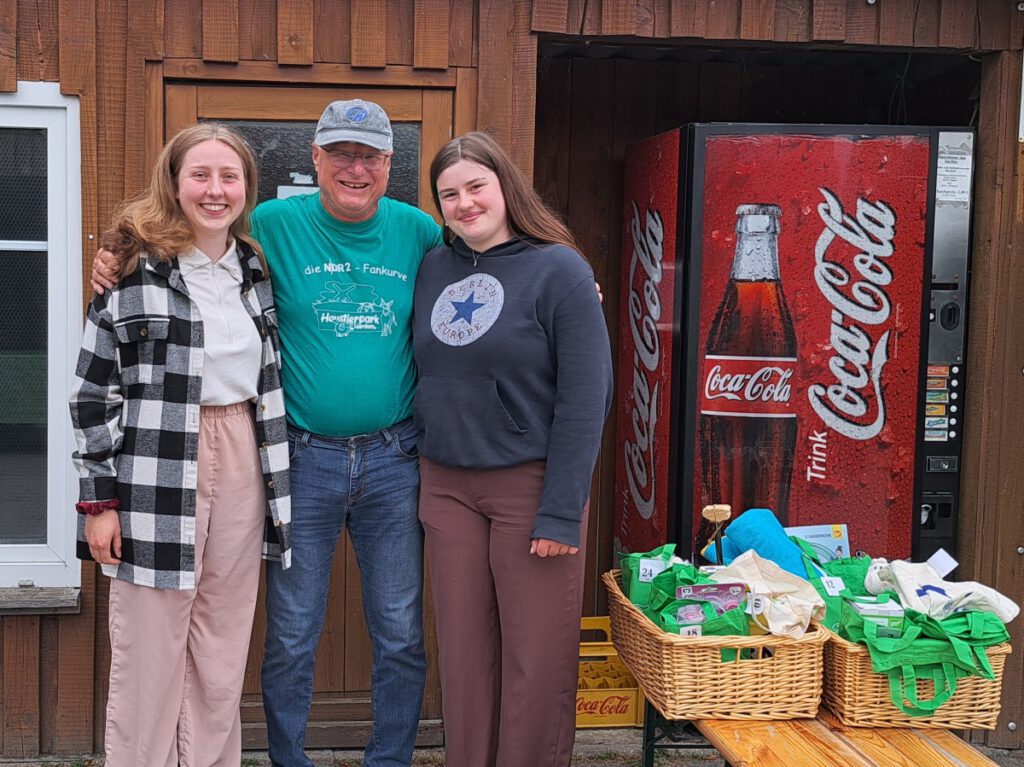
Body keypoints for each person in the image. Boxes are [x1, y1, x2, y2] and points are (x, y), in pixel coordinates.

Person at [92, 100, 442, 767]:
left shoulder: (419, 231)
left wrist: (568, 280)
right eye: (341, 153)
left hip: (395, 456)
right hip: (298, 458)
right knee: (291, 631)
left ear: (391, 164)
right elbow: (189, 219)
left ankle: (390, 758)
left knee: (398, 629)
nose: (356, 168)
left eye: (370, 155)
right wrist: (117, 251)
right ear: (315, 159)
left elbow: (493, 263)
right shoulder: (272, 223)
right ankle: (288, 758)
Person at [70, 123, 292, 767]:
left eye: (230, 177)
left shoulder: (254, 267)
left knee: (222, 641)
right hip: (158, 461)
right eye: (201, 175)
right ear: (175, 183)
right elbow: (91, 396)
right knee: (152, 637)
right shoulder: (134, 268)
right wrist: (99, 503)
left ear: (247, 188)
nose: (215, 190)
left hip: (244, 452)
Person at [413, 132, 613, 767]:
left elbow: (587, 399)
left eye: (477, 187)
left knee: (536, 659)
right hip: (446, 487)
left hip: (531, 488)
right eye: (450, 194)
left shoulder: (560, 270)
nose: (465, 204)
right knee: (466, 661)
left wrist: (561, 510)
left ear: (506, 187)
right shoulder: (433, 267)